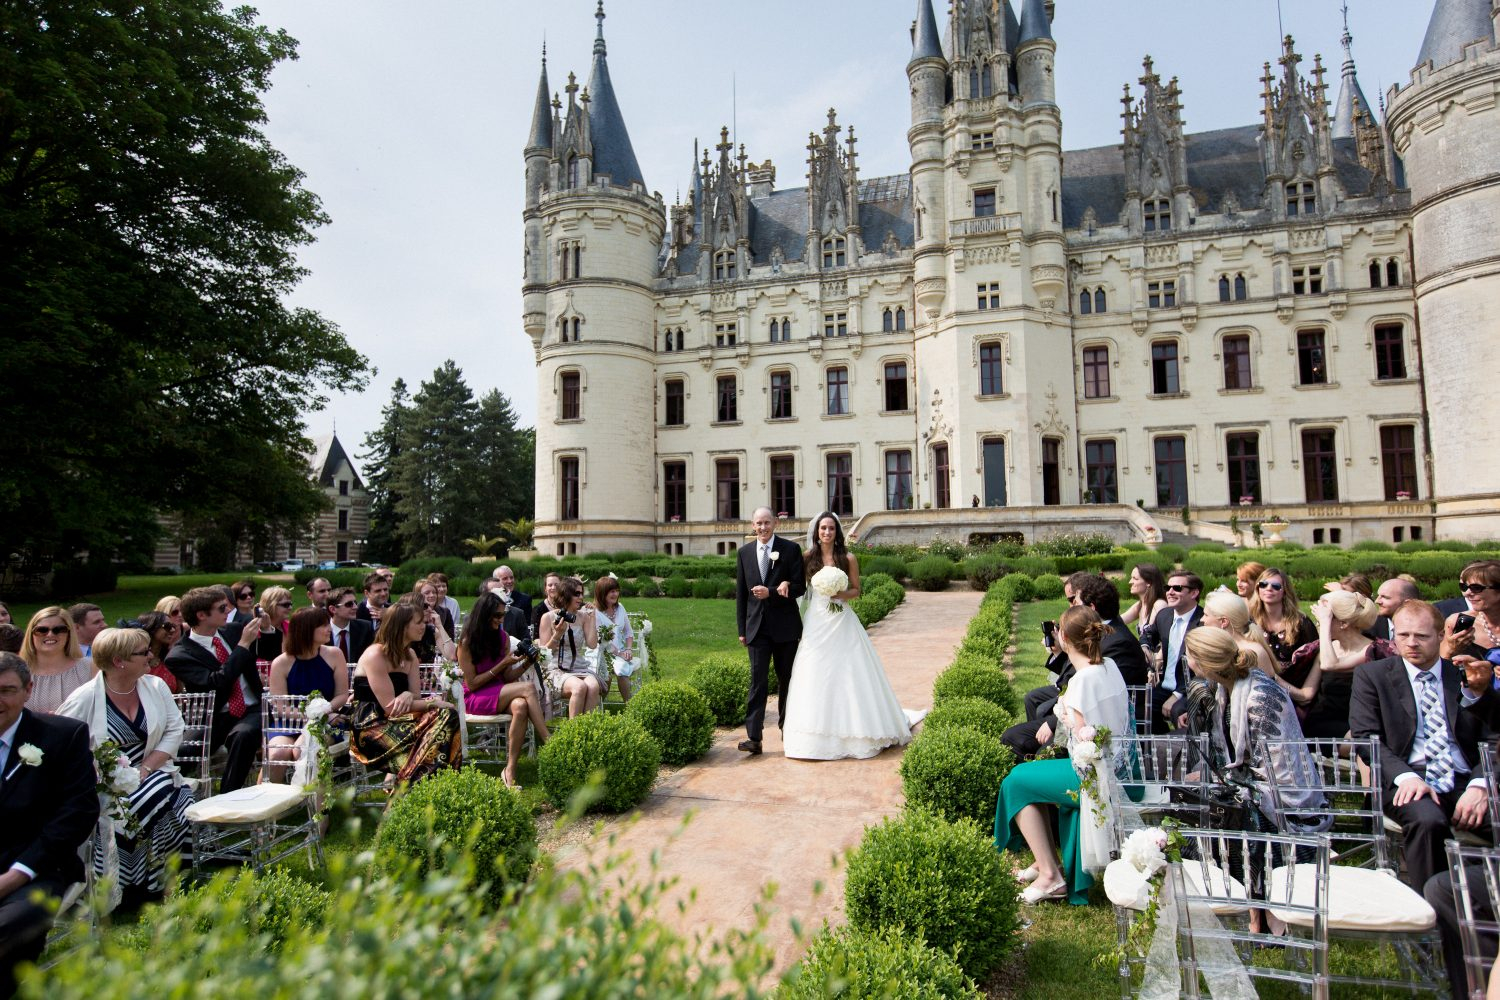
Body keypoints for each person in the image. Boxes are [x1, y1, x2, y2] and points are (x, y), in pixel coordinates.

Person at [1349, 600, 1494, 891]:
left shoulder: (1465, 673)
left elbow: (1493, 737)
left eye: (1422, 636)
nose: (1411, 643)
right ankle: (1433, 916)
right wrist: (1407, 777)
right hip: (1405, 777)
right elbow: (1365, 736)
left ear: (1441, 636)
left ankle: (1487, 907)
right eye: (1403, 636)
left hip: (1464, 778)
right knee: (1428, 821)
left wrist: (1481, 785)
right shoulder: (1373, 676)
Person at [996, 607, 1133, 905]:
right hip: (1115, 767)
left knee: (1016, 781)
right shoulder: (1109, 666)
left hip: (1091, 777)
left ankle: (1050, 875)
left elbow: (1082, 742)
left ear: (1065, 637)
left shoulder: (1083, 681)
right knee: (1031, 776)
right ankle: (1043, 861)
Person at [56, 628, 193, 905]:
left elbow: (175, 729)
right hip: (104, 780)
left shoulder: (155, 687)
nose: (151, 656)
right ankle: (131, 884)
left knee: (166, 795)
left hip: (154, 767)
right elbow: (63, 743)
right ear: (119, 661)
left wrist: (146, 768)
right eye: (143, 653)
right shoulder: (84, 698)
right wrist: (99, 774)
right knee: (155, 800)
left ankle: (154, 882)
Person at [0, 654, 99, 998]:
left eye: (6, 691)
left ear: (28, 690)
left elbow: (78, 812)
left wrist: (17, 874)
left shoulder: (62, 736)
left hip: (38, 866)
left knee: (11, 926)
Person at [782, 512, 918, 760]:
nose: (826, 532)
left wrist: (840, 595)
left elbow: (856, 590)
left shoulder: (848, 558)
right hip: (817, 621)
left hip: (841, 618)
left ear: (837, 532)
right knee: (814, 670)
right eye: (823, 528)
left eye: (831, 528)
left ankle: (857, 731)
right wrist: (785, 585)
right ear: (816, 532)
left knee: (848, 669)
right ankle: (813, 736)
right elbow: (800, 586)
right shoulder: (807, 558)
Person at [1004, 574, 1148, 759]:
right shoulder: (1104, 642)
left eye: (1074, 601)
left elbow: (1094, 704)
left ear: (1091, 608)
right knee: (1033, 703)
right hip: (1083, 724)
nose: (1071, 606)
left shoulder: (1116, 645)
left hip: (1095, 741)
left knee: (1017, 741)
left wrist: (1053, 722)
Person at [164, 587, 265, 793]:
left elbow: (268, 651)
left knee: (242, 736)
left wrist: (269, 630)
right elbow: (216, 681)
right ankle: (169, 797)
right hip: (215, 716)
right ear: (201, 615)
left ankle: (228, 797)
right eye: (222, 608)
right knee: (181, 752)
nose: (228, 611)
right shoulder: (180, 655)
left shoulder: (235, 631)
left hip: (250, 707)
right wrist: (243, 645)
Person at [349, 603, 462, 786]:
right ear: (401, 626)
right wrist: (432, 702)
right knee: (433, 739)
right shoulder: (375, 655)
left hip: (401, 720)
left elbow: (415, 698)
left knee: (447, 717)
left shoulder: (409, 654)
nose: (423, 626)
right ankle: (415, 795)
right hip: (371, 727)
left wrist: (409, 695)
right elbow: (391, 707)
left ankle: (424, 791)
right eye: (418, 622)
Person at [458, 591, 549, 789]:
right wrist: (502, 664)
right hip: (475, 697)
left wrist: (526, 663)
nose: (501, 620)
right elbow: (472, 683)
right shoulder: (467, 643)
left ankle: (510, 770)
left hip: (499, 691)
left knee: (521, 705)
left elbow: (507, 677)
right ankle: (549, 744)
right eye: (497, 616)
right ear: (484, 615)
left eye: (503, 615)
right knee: (528, 687)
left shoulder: (503, 637)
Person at [735, 506, 807, 756]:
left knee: (787, 680)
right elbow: (741, 595)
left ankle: (789, 729)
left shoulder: (790, 549)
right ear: (752, 526)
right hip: (756, 630)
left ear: (776, 523)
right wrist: (742, 629)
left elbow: (799, 587)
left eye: (767, 522)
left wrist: (775, 591)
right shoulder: (744, 553)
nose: (763, 528)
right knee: (758, 682)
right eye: (758, 523)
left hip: (786, 629)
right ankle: (754, 737)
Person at [1285, 590, 1396, 737]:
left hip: (1361, 722)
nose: (1318, 622)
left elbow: (1330, 665)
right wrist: (1273, 677)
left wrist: (1325, 625)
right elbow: (1306, 695)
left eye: (1325, 618)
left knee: (1362, 739)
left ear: (1343, 623)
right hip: (1324, 724)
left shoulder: (1371, 650)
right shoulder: (1325, 651)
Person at [265, 607, 350, 781]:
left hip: (327, 722)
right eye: (323, 625)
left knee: (303, 749)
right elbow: (281, 708)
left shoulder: (334, 655)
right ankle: (268, 801)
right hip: (289, 723)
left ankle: (312, 802)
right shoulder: (281, 663)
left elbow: (342, 694)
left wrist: (324, 712)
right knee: (276, 754)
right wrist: (311, 715)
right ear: (306, 630)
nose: (329, 629)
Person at [1142, 571, 1204, 732]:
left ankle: (1187, 753)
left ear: (1194, 593)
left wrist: (1177, 695)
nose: (1170, 592)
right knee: (1141, 707)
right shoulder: (1165, 615)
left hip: (1193, 687)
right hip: (1166, 684)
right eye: (1167, 587)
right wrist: (1145, 647)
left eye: (1177, 588)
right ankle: (1160, 748)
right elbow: (1148, 634)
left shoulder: (1203, 622)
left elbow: (1203, 671)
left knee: (1178, 711)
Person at [538, 577, 603, 718]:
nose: (581, 597)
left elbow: (592, 644)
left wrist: (593, 618)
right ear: (566, 595)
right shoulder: (548, 617)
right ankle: (573, 734)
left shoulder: (584, 617)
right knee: (579, 687)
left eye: (581, 594)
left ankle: (587, 732)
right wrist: (557, 635)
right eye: (576, 594)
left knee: (593, 686)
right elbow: (543, 654)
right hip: (556, 668)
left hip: (579, 666)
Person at [19, 607, 94, 715]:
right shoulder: (16, 672)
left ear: (69, 634)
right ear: (31, 634)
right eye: (42, 630)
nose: (50, 634)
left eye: (59, 629)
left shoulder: (90, 667)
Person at [1247, 567, 1318, 675]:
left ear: (1285, 591)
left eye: (1276, 586)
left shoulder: (1301, 623)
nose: (1269, 589)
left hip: (1293, 686)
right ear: (1258, 589)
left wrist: (1306, 691)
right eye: (1263, 584)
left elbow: (1316, 658)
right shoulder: (1249, 621)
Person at [594, 576, 639, 703]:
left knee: (622, 670)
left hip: (620, 652)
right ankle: (597, 707)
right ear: (602, 593)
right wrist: (620, 653)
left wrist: (629, 649)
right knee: (607, 675)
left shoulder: (620, 608)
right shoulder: (595, 612)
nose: (615, 594)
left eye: (616, 591)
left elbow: (628, 631)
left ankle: (629, 705)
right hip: (601, 652)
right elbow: (602, 641)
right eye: (611, 591)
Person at [135, 611, 182, 693]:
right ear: (152, 628)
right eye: (167, 626)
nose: (172, 630)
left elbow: (179, 693)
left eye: (173, 626)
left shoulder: (170, 660)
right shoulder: (135, 661)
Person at [327, 587, 375, 666]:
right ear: (333, 609)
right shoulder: (320, 630)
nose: (355, 607)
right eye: (349, 604)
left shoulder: (365, 628)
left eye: (355, 602)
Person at [250, 586, 296, 662]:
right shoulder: (254, 630)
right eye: (286, 605)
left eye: (291, 604)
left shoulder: (292, 627)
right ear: (271, 605)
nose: (290, 607)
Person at [1120, 563, 1168, 630]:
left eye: (1135, 579)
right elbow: (1118, 621)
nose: (1130, 582)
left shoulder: (1159, 605)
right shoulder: (1140, 605)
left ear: (1149, 582)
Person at [1374, 576, 1420, 642]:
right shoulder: (1369, 628)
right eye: (1378, 596)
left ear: (1407, 603)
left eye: (1385, 597)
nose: (1377, 601)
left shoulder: (1429, 627)